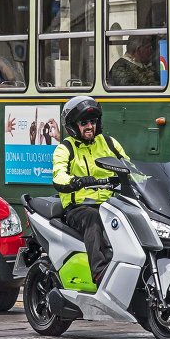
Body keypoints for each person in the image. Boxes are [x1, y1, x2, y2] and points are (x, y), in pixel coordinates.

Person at [51, 96, 131, 285]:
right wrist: (77, 181)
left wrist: (144, 179)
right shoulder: (65, 148)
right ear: (73, 125)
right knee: (92, 218)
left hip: (110, 205)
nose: (89, 126)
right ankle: (100, 272)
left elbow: (129, 167)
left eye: (93, 122)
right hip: (78, 207)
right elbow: (58, 176)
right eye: (84, 122)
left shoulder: (109, 143)